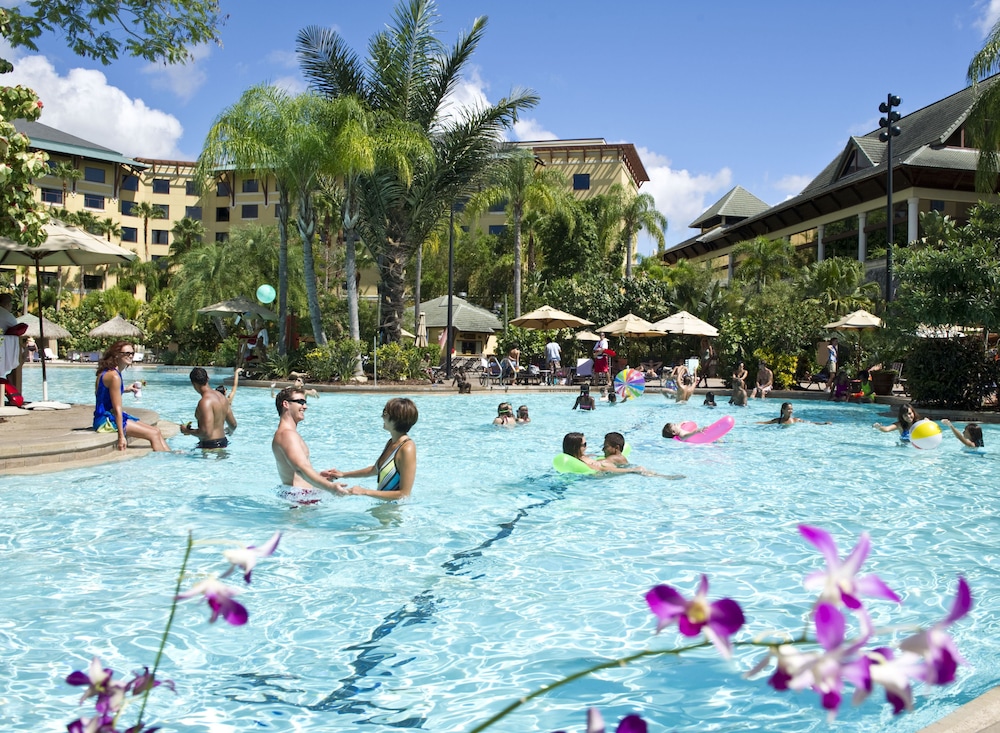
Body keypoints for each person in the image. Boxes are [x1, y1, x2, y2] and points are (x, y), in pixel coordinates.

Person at [321, 398, 418, 501]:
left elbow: (404, 494)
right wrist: (343, 474)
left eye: (385, 413)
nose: (382, 416)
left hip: (396, 509)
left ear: (396, 418)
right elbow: (375, 470)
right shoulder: (391, 442)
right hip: (384, 506)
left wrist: (365, 492)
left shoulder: (407, 448)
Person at [93, 341, 168, 452]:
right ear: (117, 354)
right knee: (153, 434)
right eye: (127, 353)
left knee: (156, 431)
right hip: (106, 420)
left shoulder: (108, 372)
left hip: (108, 416)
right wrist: (121, 436)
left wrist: (125, 389)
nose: (131, 356)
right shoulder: (114, 376)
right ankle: (164, 459)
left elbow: (102, 394)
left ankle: (170, 455)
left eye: (132, 353)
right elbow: (117, 409)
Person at [271, 386, 348, 494]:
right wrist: (330, 487)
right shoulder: (287, 435)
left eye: (305, 402)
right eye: (300, 402)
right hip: (299, 497)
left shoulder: (286, 433)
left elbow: (296, 473)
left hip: (298, 495)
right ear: (286, 404)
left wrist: (319, 477)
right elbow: (301, 468)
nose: (305, 406)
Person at [180, 367, 237, 449]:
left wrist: (187, 431)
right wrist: (228, 430)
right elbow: (233, 425)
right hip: (224, 443)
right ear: (208, 378)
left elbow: (206, 433)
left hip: (209, 446)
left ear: (193, 384)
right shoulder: (222, 397)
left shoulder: (205, 402)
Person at [561, 432, 651, 475]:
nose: (586, 447)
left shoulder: (583, 456)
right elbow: (603, 469)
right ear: (575, 447)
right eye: (584, 444)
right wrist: (632, 470)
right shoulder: (580, 462)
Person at [757, 402, 830, 425]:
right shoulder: (778, 421)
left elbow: (810, 423)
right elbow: (765, 423)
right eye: (788, 409)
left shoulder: (795, 420)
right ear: (783, 410)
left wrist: (823, 423)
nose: (791, 411)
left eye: (791, 409)